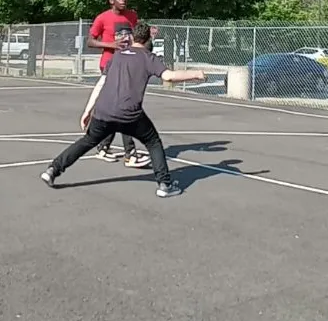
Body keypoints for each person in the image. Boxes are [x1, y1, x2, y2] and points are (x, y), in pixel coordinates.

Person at [41, 22, 206, 198]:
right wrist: (196, 74)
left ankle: (53, 169)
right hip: (129, 114)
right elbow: (169, 76)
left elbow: (101, 83)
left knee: (87, 141)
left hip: (104, 111)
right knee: (153, 142)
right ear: (148, 39)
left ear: (133, 37)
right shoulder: (148, 57)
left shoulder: (117, 56)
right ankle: (165, 184)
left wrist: (88, 110)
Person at [85, 0, 151, 168]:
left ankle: (104, 146)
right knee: (124, 106)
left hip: (128, 64)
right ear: (111, 0)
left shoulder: (132, 16)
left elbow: (136, 38)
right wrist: (111, 44)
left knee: (118, 107)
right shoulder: (103, 18)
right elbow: (90, 41)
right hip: (109, 65)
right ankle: (130, 154)